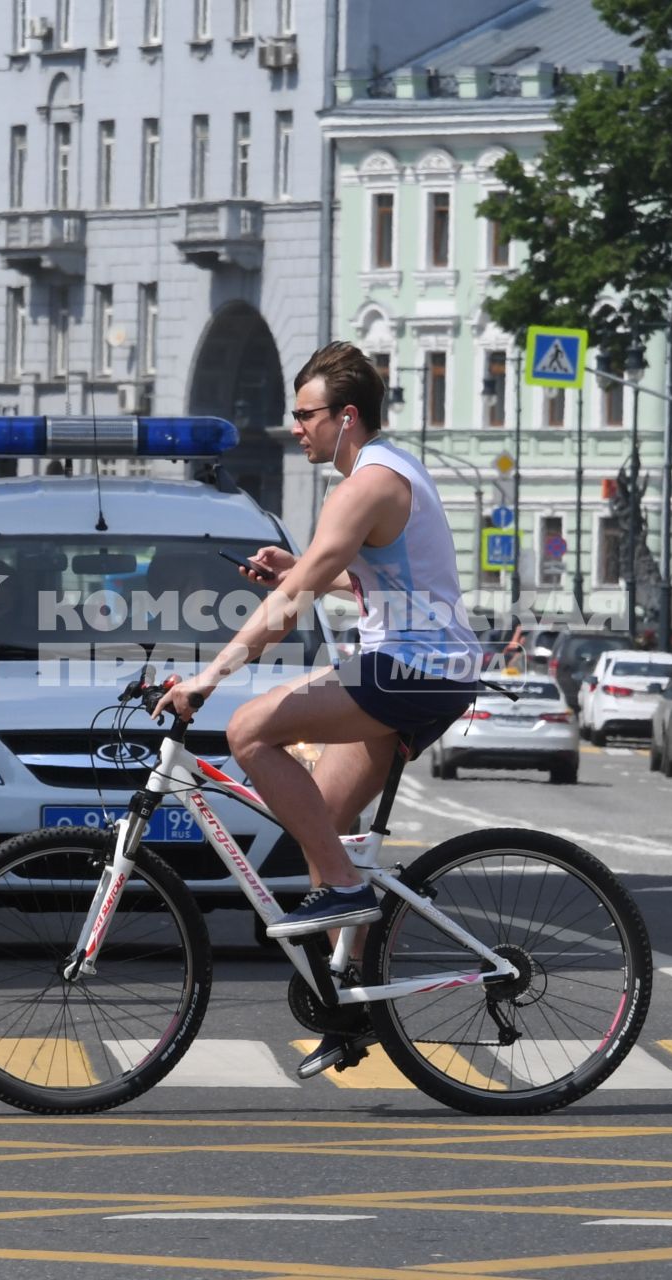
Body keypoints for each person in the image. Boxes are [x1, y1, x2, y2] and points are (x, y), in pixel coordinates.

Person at [155, 341, 481, 1078]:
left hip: (413, 671)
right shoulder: (384, 471)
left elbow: (290, 606)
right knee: (325, 827)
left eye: (305, 415)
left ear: (347, 416)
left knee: (248, 730)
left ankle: (344, 890)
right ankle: (352, 1004)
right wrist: (298, 568)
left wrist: (209, 677)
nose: (295, 427)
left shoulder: (363, 486)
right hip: (414, 664)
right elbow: (365, 586)